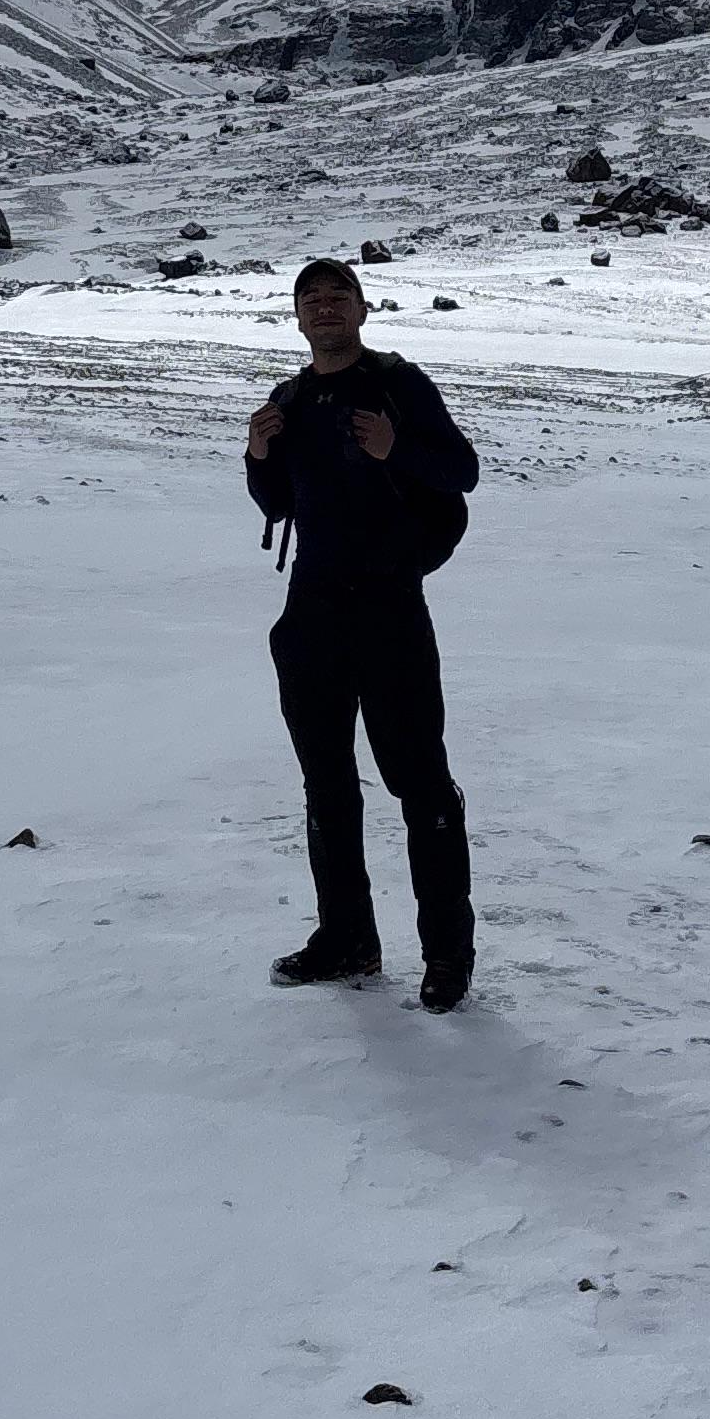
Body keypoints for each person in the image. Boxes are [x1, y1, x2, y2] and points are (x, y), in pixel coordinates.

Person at [244, 259, 481, 1009]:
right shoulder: (292, 397)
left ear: (362, 308)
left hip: (389, 609)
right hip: (312, 612)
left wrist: (394, 448)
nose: (324, 309)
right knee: (327, 786)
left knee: (421, 785)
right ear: (297, 317)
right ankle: (347, 939)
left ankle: (448, 955)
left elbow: (461, 471)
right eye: (310, 299)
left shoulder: (398, 386)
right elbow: (278, 503)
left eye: (336, 296)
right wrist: (256, 454)